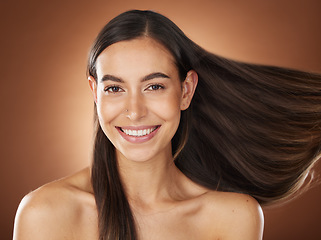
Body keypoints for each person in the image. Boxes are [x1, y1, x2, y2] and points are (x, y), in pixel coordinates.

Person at [13, 10, 321, 240]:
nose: (134, 112)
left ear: (186, 90)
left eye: (154, 86)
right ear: (95, 92)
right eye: (114, 88)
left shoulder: (232, 217)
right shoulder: (44, 213)